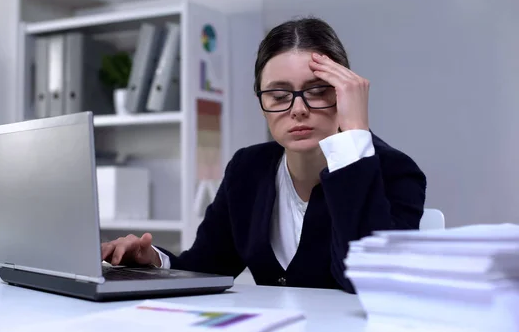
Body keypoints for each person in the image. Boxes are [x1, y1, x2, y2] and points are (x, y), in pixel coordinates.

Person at [101, 17, 426, 294]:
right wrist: (153, 261)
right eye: (279, 95)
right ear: (262, 104)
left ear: (344, 94)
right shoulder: (248, 168)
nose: (298, 109)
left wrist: (355, 133)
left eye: (318, 91)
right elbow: (205, 267)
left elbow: (369, 284)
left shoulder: (394, 170)